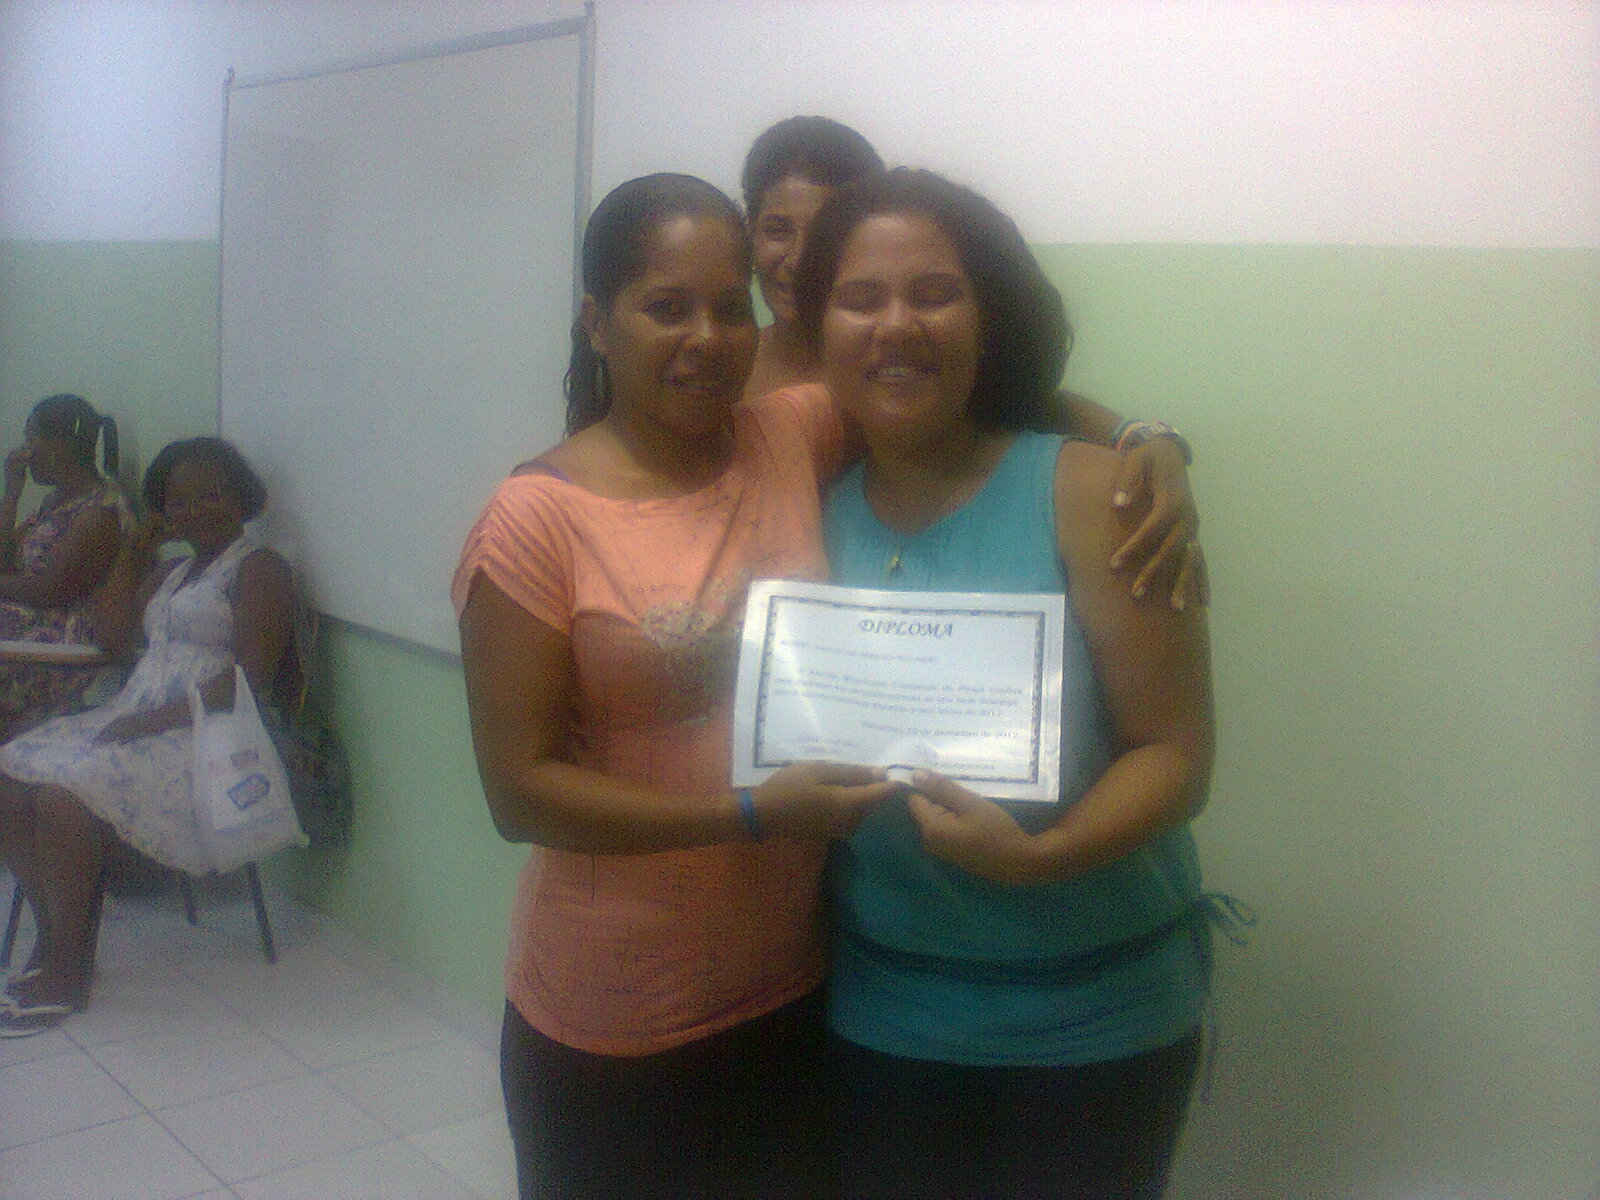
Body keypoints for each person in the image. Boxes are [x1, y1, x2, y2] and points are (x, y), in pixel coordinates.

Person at [454, 173, 901, 1199]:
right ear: (596, 323)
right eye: (666, 307)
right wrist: (750, 814)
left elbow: (952, 382)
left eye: (729, 306)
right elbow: (519, 795)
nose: (707, 338)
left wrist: (1140, 444)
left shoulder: (788, 433)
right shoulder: (536, 518)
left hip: (792, 987)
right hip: (614, 1025)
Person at [792, 169, 1216, 1198]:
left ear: (988, 320)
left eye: (935, 293)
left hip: (1094, 1022)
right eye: (860, 298)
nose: (897, 325)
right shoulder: (807, 507)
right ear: (818, 332)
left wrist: (1040, 857)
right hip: (882, 1011)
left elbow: (1175, 755)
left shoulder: (1093, 492)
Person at [742, 116, 1203, 605]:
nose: (799, 257)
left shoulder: (921, 381)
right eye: (777, 230)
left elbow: (1039, 404)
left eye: (823, 230)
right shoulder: (732, 377)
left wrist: (1152, 443)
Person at [0, 438, 295, 1037]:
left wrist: (150, 722)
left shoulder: (259, 567)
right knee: (10, 771)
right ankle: (54, 940)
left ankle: (69, 966)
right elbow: (111, 638)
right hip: (135, 715)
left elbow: (248, 679)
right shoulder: (172, 572)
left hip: (204, 735)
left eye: (211, 493)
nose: (195, 509)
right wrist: (136, 553)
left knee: (61, 796)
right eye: (178, 501)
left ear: (241, 496)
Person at [0, 394, 132, 738]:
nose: (25, 451)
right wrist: (11, 495)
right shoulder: (53, 503)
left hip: (59, 648)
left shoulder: (100, 510)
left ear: (58, 444)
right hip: (22, 633)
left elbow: (50, 591)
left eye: (31, 438)